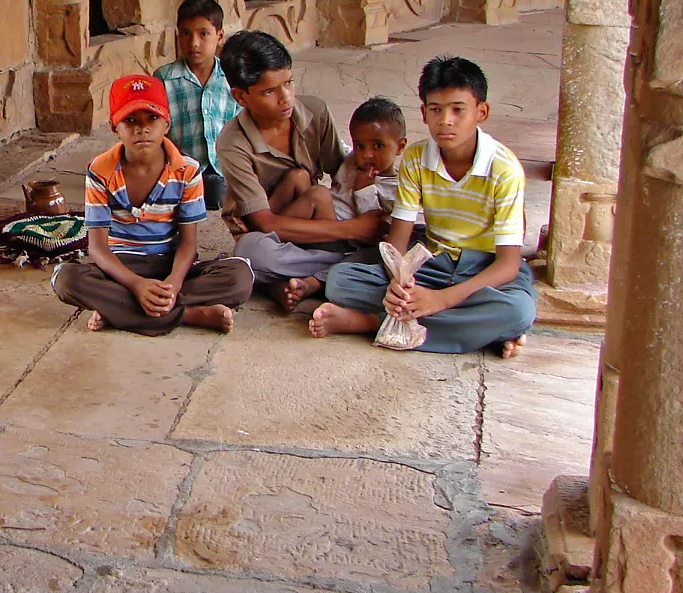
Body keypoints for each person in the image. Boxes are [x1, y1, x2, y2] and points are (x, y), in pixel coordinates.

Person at [312, 56, 536, 356]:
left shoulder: (504, 169)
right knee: (341, 282)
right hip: (434, 261)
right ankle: (480, 329)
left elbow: (507, 265)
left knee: (518, 310)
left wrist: (441, 299)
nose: (445, 120)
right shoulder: (416, 158)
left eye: (458, 110)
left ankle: (371, 322)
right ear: (424, 113)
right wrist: (399, 282)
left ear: (481, 112)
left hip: (485, 267)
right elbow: (398, 240)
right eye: (436, 110)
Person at [51, 74, 252, 335]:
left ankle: (119, 310)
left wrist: (174, 285)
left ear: (166, 123)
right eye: (130, 120)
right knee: (66, 279)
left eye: (152, 118)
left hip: (169, 263)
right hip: (122, 267)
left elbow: (188, 244)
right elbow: (98, 248)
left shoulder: (187, 170)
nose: (142, 129)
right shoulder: (100, 170)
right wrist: (136, 285)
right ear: (114, 128)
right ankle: (190, 314)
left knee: (240, 277)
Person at [218, 31, 385, 311]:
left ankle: (290, 280)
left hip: (318, 225)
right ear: (241, 96)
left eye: (288, 82)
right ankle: (336, 271)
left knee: (310, 185)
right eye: (269, 91)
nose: (286, 98)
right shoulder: (232, 143)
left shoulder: (315, 111)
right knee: (250, 253)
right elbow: (265, 223)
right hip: (272, 236)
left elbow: (342, 171)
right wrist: (351, 229)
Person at [154, 0, 240, 210]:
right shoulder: (165, 78)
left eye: (204, 34)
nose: (193, 42)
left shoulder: (232, 77)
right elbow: (156, 130)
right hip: (180, 167)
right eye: (185, 33)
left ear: (220, 36)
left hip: (225, 167)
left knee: (219, 191)